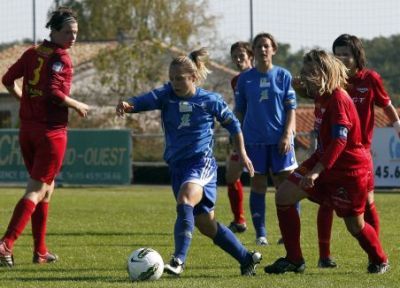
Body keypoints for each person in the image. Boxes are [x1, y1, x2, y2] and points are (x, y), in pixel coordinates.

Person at [116, 48, 262, 276]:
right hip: (177, 167)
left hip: (201, 163)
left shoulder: (209, 100)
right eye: (172, 78)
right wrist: (129, 104)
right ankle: (246, 258)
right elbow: (146, 100)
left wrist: (242, 153)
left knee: (185, 198)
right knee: (205, 223)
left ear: (193, 77)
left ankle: (178, 260)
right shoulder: (166, 95)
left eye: (180, 78)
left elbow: (233, 124)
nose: (174, 83)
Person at [264, 49, 389, 275]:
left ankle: (380, 259)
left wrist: (316, 172)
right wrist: (288, 78)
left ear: (325, 73)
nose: (305, 76)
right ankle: (294, 259)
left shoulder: (339, 99)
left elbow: (340, 141)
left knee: (355, 225)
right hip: (322, 161)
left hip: (347, 170)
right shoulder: (321, 94)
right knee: (283, 195)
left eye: (311, 71)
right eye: (305, 71)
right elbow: (300, 87)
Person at [0, 7, 89, 267]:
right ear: (53, 31)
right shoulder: (61, 57)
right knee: (37, 190)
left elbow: (7, 79)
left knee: (46, 190)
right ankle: (6, 243)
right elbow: (53, 92)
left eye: (75, 33)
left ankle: (40, 251)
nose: (72, 37)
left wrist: (23, 101)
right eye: (67, 32)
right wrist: (76, 105)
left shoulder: (32, 53)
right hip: (50, 133)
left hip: (27, 130)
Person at [315, 34, 400, 268]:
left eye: (346, 54)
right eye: (337, 54)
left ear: (356, 56)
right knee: (327, 202)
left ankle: (375, 251)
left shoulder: (370, 78)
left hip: (359, 154)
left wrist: (397, 127)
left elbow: (387, 105)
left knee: (368, 202)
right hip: (333, 149)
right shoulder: (332, 82)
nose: (342, 58)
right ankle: (324, 256)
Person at [234, 33, 298, 245]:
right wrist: (238, 141)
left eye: (266, 46)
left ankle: (287, 233)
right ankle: (261, 234)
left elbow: (291, 109)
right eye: (259, 46)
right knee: (258, 185)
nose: (263, 50)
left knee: (287, 186)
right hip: (254, 141)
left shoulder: (283, 75)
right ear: (254, 51)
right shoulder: (245, 79)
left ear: (274, 50)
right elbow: (240, 112)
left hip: (281, 141)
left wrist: (288, 134)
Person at [226, 41, 253, 233]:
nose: (237, 60)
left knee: (278, 183)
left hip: (262, 136)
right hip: (243, 136)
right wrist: (234, 131)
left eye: (241, 56)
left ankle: (286, 231)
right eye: (234, 57)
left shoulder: (259, 76)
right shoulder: (235, 80)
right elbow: (239, 108)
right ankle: (239, 220)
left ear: (250, 56)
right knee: (231, 174)